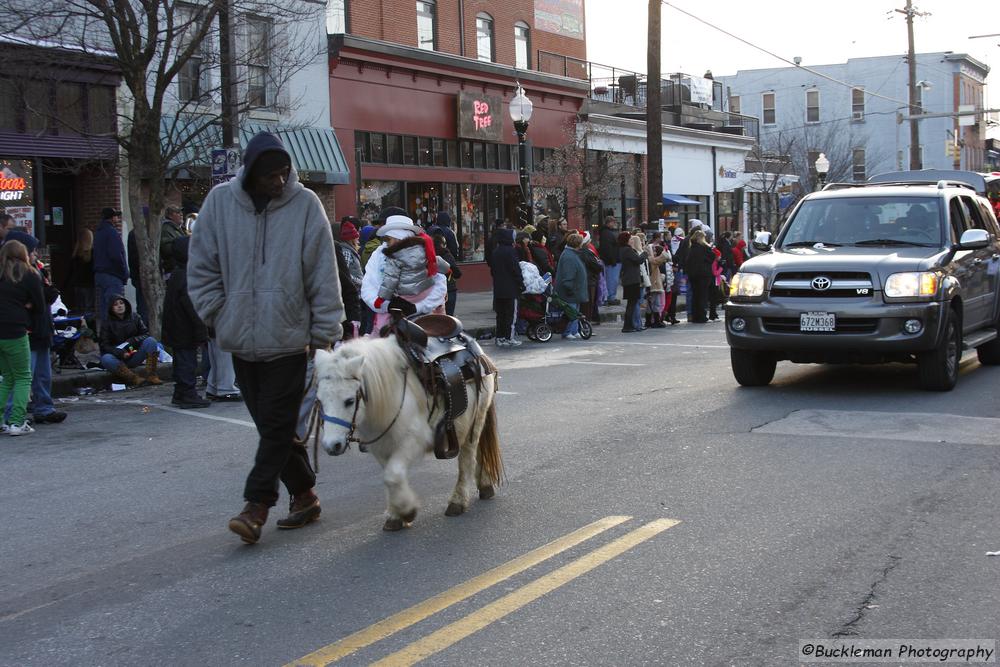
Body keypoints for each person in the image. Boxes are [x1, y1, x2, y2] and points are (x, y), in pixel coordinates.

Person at [188, 131, 344, 544]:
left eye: (283, 174)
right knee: (271, 429)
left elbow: (323, 275)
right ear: (251, 173)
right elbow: (201, 266)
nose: (278, 182)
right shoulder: (220, 204)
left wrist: (326, 332)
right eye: (270, 175)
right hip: (241, 339)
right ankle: (306, 494)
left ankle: (256, 506)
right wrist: (218, 314)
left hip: (290, 339)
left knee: (275, 426)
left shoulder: (306, 205)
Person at [370, 215, 449, 331]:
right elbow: (440, 267)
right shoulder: (426, 251)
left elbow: (389, 281)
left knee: (385, 329)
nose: (387, 243)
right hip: (426, 307)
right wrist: (449, 270)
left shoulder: (394, 258)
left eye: (389, 239)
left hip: (406, 302)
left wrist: (380, 300)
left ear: (397, 239)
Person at [0, 240, 46, 435]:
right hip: (16, 329)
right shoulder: (29, 274)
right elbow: (40, 305)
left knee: (6, 378)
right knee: (23, 376)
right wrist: (27, 306)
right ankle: (17, 422)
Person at [161, 237, 210, 408]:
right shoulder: (186, 277)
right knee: (187, 363)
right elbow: (192, 307)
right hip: (184, 329)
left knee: (182, 361)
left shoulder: (178, 274)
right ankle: (187, 393)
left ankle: (181, 392)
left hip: (178, 327)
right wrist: (201, 330)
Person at [98, 296, 162, 386]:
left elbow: (146, 334)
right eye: (116, 305)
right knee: (106, 359)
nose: (119, 306)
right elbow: (104, 345)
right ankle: (134, 379)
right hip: (118, 358)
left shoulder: (135, 317)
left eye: (121, 303)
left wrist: (134, 340)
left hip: (134, 353)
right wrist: (119, 352)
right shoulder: (107, 323)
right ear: (111, 308)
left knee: (151, 341)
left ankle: (152, 375)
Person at [93, 207, 128, 332]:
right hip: (112, 274)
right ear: (112, 218)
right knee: (116, 309)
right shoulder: (112, 233)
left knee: (104, 309)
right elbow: (116, 255)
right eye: (116, 216)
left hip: (100, 274)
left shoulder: (98, 232)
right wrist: (123, 272)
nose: (118, 219)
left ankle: (104, 336)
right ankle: (116, 338)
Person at [488, 228, 524, 347]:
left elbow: (492, 270)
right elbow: (515, 269)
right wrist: (521, 283)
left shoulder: (496, 251)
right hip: (511, 288)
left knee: (501, 314)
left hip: (499, 288)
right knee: (511, 315)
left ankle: (500, 337)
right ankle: (509, 337)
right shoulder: (511, 251)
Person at [555, 233, 587, 340]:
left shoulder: (571, 254)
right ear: (577, 244)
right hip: (570, 291)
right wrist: (569, 288)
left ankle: (574, 330)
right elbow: (568, 276)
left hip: (574, 291)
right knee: (571, 312)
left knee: (574, 312)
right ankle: (567, 331)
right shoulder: (569, 256)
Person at [336, 221, 363, 337]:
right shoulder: (346, 252)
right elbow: (345, 275)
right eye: (356, 237)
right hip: (354, 292)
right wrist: (361, 281)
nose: (358, 240)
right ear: (352, 239)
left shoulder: (350, 251)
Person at [684, 229, 715, 324]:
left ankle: (695, 316)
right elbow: (712, 257)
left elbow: (688, 262)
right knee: (703, 295)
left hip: (693, 275)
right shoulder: (705, 248)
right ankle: (702, 316)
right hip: (703, 275)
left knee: (695, 295)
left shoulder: (691, 248)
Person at [66, 224, 95, 314]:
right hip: (89, 285)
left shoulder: (76, 253)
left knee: (80, 308)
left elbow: (71, 271)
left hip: (78, 284)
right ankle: (88, 326)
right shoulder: (92, 254)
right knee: (89, 309)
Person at [619, 232, 645, 333]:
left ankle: (629, 325)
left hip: (629, 279)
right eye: (630, 239)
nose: (632, 240)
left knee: (632, 303)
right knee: (632, 303)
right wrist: (645, 253)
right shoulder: (627, 250)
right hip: (631, 279)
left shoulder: (625, 249)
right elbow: (638, 260)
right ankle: (628, 326)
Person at [433, 231, 462, 317]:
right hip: (449, 289)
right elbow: (457, 273)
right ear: (443, 244)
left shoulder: (430, 256)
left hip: (435, 291)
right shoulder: (447, 255)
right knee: (448, 318)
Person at [159, 205, 188, 278]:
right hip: (173, 269)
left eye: (181, 212)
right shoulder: (166, 229)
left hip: (180, 268)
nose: (181, 214)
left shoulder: (180, 228)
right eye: (177, 212)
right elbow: (166, 249)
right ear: (170, 216)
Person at [598, 215, 621, 305]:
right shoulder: (607, 233)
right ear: (609, 223)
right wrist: (612, 260)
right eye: (613, 222)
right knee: (612, 280)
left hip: (611, 261)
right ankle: (611, 297)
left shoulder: (606, 233)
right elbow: (607, 248)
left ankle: (611, 296)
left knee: (612, 280)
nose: (614, 224)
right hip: (612, 262)